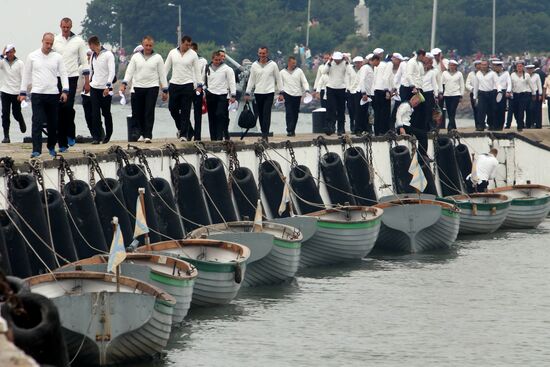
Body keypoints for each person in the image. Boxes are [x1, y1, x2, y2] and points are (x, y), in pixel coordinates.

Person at [19, 33, 69, 157]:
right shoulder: (32, 56)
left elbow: (63, 73)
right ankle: (36, 149)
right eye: (47, 43)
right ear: (42, 41)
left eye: (51, 43)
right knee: (37, 121)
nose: (49, 45)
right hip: (37, 93)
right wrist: (22, 92)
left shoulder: (57, 57)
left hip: (53, 94)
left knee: (53, 123)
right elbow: (26, 75)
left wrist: (65, 90)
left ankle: (51, 146)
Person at [120, 36, 168, 143]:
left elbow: (162, 75)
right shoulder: (136, 57)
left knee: (149, 111)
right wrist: (124, 84)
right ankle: (139, 133)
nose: (148, 47)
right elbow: (129, 71)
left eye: (150, 45)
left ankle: (148, 135)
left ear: (153, 46)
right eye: (146, 45)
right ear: (142, 45)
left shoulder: (158, 58)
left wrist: (165, 90)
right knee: (137, 112)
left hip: (152, 87)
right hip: (138, 87)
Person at [53, 17, 89, 149]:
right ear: (60, 26)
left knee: (68, 107)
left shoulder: (78, 41)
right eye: (64, 27)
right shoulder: (55, 40)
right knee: (59, 110)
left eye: (68, 27)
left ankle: (70, 133)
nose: (66, 29)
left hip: (72, 77)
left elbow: (84, 61)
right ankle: (62, 143)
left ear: (71, 26)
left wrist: (86, 81)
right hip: (57, 78)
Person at [165, 35, 203, 141]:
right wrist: (163, 84)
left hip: (187, 85)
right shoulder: (172, 53)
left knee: (186, 110)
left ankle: (184, 134)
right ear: (181, 43)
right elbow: (166, 68)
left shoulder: (193, 54)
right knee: (172, 109)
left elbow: (197, 71)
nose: (188, 47)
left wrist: (199, 85)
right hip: (174, 84)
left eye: (190, 45)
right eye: (186, 44)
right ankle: (185, 129)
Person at [244, 46, 283, 141]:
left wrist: (281, 92)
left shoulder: (273, 65)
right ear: (258, 53)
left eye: (264, 53)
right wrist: (247, 92)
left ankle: (265, 134)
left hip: (269, 92)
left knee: (266, 113)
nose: (262, 55)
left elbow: (278, 79)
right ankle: (263, 131)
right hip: (258, 93)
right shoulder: (254, 65)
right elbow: (251, 79)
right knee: (260, 114)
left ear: (267, 54)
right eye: (260, 53)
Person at [88, 35, 115, 144]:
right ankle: (96, 136)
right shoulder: (93, 55)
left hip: (105, 88)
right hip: (94, 87)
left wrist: (108, 86)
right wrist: (89, 83)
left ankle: (108, 134)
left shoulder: (108, 54)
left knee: (106, 112)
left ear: (94, 44)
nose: (90, 48)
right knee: (95, 113)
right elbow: (91, 70)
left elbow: (112, 71)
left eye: (90, 46)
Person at [204, 50, 236, 140]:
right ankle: (213, 138)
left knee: (220, 115)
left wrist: (233, 95)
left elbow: (232, 82)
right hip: (210, 94)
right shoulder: (207, 68)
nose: (217, 61)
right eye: (216, 60)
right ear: (212, 59)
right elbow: (203, 80)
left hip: (222, 95)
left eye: (219, 60)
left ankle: (219, 137)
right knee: (212, 116)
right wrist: (204, 91)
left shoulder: (227, 69)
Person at [0, 44, 26, 143]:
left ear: (14, 52)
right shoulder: (3, 62)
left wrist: (22, 92)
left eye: (11, 52)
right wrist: (2, 55)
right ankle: (6, 136)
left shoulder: (20, 63)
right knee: (5, 114)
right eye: (7, 52)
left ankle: (20, 120)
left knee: (16, 113)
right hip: (5, 91)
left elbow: (24, 78)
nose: (9, 54)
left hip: (16, 92)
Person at [280, 56, 310, 136]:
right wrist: (281, 93)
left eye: (295, 63)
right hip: (287, 94)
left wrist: (306, 90)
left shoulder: (299, 71)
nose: (294, 65)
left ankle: (292, 129)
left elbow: (304, 81)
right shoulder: (282, 72)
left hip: (297, 94)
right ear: (288, 62)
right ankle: (289, 129)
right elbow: (280, 84)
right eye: (293, 63)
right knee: (289, 112)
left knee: (295, 113)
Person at [321, 51, 348, 136]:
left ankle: (341, 128)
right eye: (335, 59)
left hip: (341, 88)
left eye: (338, 59)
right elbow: (324, 71)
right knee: (330, 108)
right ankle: (330, 127)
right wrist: (329, 62)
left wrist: (347, 61)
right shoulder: (330, 63)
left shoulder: (344, 63)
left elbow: (350, 71)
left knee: (341, 109)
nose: (337, 61)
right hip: (331, 88)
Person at [395, 92, 428, 158]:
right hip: (404, 126)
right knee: (423, 135)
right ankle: (423, 155)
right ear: (413, 100)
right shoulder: (405, 105)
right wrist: (401, 127)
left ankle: (422, 155)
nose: (416, 105)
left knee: (421, 134)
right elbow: (398, 114)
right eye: (416, 103)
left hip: (407, 126)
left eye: (417, 104)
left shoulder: (409, 107)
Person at [473, 60, 499, 131]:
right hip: (481, 93)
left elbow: (497, 83)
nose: (483, 66)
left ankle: (491, 125)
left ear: (488, 65)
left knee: (491, 110)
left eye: (485, 65)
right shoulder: (478, 73)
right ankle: (481, 126)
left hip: (491, 93)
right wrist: (474, 96)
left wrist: (499, 91)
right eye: (482, 65)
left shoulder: (493, 73)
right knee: (481, 110)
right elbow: (476, 85)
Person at [372, 48, 392, 135]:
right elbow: (386, 78)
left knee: (378, 112)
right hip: (383, 90)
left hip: (376, 90)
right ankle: (384, 130)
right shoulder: (386, 65)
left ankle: (377, 131)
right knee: (385, 112)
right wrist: (388, 90)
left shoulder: (375, 66)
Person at [357, 54, 379, 135]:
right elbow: (362, 80)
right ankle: (359, 130)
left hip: (369, 93)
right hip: (363, 92)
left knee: (368, 112)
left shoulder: (372, 69)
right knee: (361, 112)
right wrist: (363, 93)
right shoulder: (365, 68)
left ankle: (366, 129)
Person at [190, 42, 208, 140]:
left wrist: (202, 88)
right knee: (181, 111)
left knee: (197, 113)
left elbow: (203, 77)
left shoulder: (203, 61)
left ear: (196, 50)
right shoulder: (186, 60)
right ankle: (189, 131)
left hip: (198, 88)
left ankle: (197, 136)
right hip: (187, 88)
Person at [510, 61, 533, 131]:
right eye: (518, 66)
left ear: (523, 67)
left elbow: (531, 85)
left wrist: (534, 93)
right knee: (516, 111)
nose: (519, 68)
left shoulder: (526, 75)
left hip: (523, 95)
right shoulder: (512, 75)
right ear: (516, 67)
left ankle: (520, 126)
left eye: (521, 66)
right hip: (515, 94)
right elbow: (510, 85)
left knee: (521, 110)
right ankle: (520, 122)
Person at [441, 59, 464, 131]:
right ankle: (453, 127)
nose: (451, 67)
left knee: (453, 110)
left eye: (453, 65)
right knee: (449, 111)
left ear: (455, 66)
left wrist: (461, 95)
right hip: (447, 94)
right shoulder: (444, 73)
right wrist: (441, 92)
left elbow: (462, 85)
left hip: (456, 94)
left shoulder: (459, 74)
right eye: (450, 65)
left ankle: (450, 127)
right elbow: (442, 84)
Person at [345, 56, 363, 133]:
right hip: (350, 91)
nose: (358, 64)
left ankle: (357, 126)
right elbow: (347, 79)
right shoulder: (350, 69)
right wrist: (347, 89)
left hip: (359, 92)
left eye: (359, 63)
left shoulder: (363, 70)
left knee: (358, 110)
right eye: (356, 63)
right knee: (351, 109)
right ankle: (352, 124)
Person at [492, 60, 511, 131]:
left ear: (500, 66)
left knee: (502, 109)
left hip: (503, 92)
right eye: (494, 66)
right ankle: (494, 125)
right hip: (494, 91)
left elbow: (509, 83)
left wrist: (508, 91)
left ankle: (500, 125)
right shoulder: (492, 74)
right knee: (494, 109)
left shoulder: (506, 73)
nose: (495, 68)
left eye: (496, 66)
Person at [422, 53, 439, 130]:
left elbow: (434, 84)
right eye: (425, 64)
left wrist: (436, 95)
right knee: (421, 110)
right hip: (421, 93)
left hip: (428, 93)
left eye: (428, 64)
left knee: (429, 110)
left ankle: (429, 126)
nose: (426, 65)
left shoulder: (432, 73)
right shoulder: (419, 72)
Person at [466, 60, 481, 128]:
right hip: (473, 93)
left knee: (482, 109)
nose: (478, 66)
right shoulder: (471, 74)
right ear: (475, 66)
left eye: (479, 64)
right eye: (477, 65)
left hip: (482, 93)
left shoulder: (483, 74)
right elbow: (467, 84)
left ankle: (482, 123)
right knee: (475, 109)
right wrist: (472, 89)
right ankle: (477, 124)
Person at [526, 64, 542, 129]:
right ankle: (528, 124)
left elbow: (539, 85)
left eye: (531, 69)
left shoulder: (536, 76)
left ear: (533, 69)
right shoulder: (526, 75)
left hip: (535, 94)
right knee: (528, 109)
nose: (530, 70)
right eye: (528, 69)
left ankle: (535, 123)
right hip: (527, 93)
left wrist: (540, 94)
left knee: (533, 109)